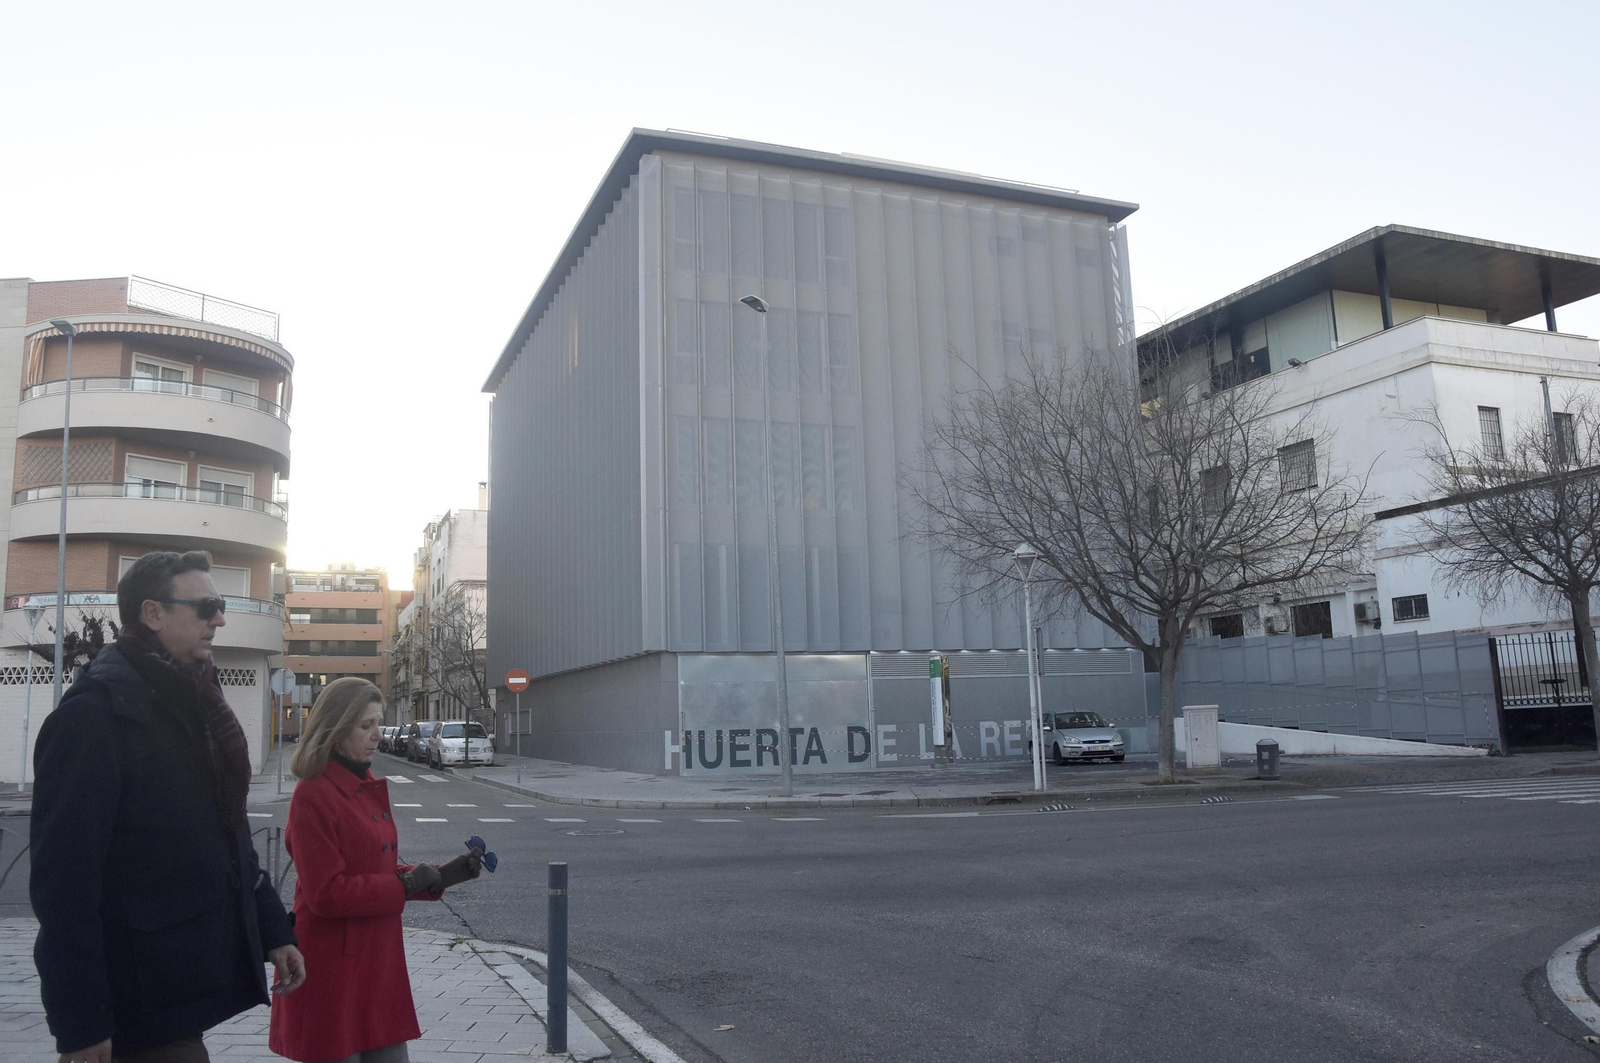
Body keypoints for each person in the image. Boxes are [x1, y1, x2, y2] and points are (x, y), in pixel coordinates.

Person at [30, 550, 305, 1063]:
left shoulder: (193, 702)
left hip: (179, 986)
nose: (219, 620)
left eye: (221, 606)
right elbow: (64, 886)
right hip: (135, 1002)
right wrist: (81, 1023)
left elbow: (228, 833)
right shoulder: (94, 715)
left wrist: (272, 930)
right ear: (153, 613)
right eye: (206, 607)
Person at [269, 678, 482, 1063]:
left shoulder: (361, 781)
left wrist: (440, 876)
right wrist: (405, 884)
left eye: (378, 723)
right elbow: (326, 893)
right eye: (365, 725)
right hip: (332, 966)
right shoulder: (313, 794)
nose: (377, 736)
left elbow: (373, 868)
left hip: (375, 960)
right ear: (336, 730)